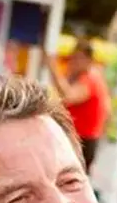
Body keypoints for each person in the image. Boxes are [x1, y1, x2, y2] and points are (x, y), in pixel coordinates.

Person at [44, 39, 110, 179]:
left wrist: (53, 67)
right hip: (79, 139)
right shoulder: (85, 77)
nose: (73, 61)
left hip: (82, 141)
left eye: (78, 58)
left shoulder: (89, 79)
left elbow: (68, 96)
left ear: (88, 60)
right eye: (73, 57)